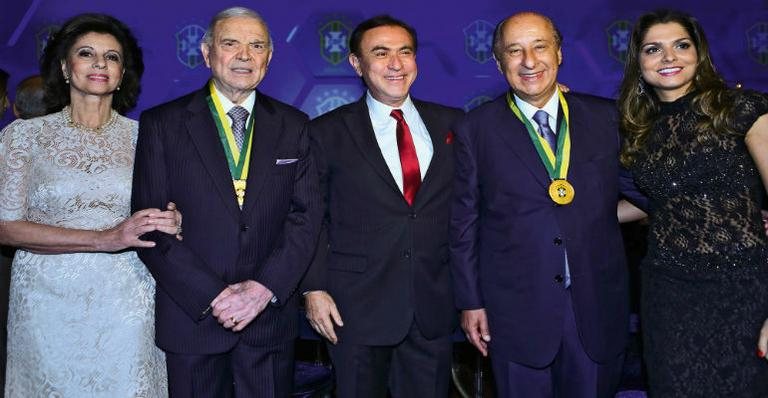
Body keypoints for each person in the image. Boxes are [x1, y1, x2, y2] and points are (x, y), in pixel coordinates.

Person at [450, 12, 646, 397]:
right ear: (498, 62)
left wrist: (732, 209)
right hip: (514, 311)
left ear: (559, 53)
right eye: (514, 50)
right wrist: (470, 301)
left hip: (596, 306)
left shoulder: (606, 118)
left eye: (540, 46)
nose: (529, 61)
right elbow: (464, 223)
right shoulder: (475, 129)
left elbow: (646, 191)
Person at [131, 6, 322, 397]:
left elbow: (305, 218)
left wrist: (260, 291)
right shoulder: (162, 123)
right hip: (193, 318)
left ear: (269, 57)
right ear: (206, 53)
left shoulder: (295, 124)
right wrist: (214, 296)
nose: (244, 56)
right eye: (230, 43)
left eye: (257, 46)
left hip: (267, 320)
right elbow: (149, 226)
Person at [0, 13, 180, 396]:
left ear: (123, 72)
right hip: (45, 305)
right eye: (87, 53)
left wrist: (175, 218)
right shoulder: (24, 137)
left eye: (112, 57)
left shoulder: (148, 137)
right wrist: (104, 238)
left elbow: (171, 206)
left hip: (128, 301)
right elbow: (6, 226)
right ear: (65, 67)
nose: (100, 63)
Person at [303, 15, 463, 398]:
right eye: (381, 52)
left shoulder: (455, 123)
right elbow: (310, 217)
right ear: (356, 64)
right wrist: (313, 289)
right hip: (354, 309)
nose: (396, 63)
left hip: (433, 307)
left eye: (404, 52)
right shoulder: (324, 133)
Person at [616, 9, 768, 396]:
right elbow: (663, 200)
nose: (669, 57)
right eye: (654, 49)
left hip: (743, 290)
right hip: (667, 294)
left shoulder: (742, 109)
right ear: (639, 62)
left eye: (681, 45)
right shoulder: (639, 130)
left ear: (698, 54)